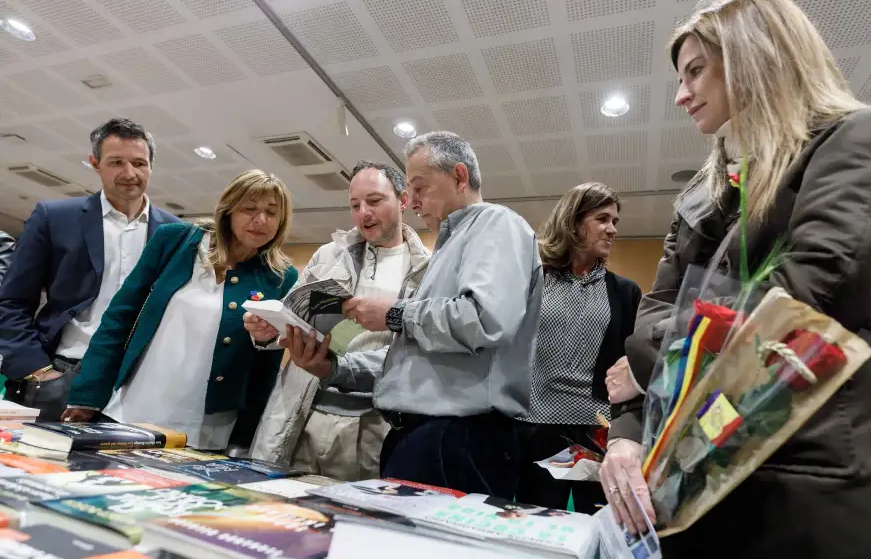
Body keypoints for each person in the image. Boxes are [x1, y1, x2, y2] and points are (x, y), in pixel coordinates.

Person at [598, 0, 871, 557]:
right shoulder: (705, 197)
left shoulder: (858, 138)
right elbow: (646, 326)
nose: (681, 96)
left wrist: (646, 362)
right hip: (692, 487)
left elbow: (810, 305)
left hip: (803, 489)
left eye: (696, 72)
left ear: (756, 56)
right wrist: (626, 440)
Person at [275, 131, 542, 499]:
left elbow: (484, 318)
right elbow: (408, 360)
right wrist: (332, 369)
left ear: (460, 177)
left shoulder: (495, 223)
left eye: (420, 187)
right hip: (424, 437)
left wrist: (395, 315)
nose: (413, 202)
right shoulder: (448, 250)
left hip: (457, 439)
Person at [61, 170, 298, 451]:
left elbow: (266, 366)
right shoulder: (175, 241)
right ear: (229, 210)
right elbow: (119, 318)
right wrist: (88, 392)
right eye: (250, 209)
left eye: (272, 213)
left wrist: (246, 436)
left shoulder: (280, 277)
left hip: (206, 429)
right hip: (133, 408)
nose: (261, 220)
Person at [244, 160, 431, 480]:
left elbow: (416, 351)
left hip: (372, 426)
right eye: (355, 205)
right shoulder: (329, 255)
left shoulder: (426, 271)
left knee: (354, 519)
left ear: (402, 200)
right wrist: (266, 331)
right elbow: (292, 314)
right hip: (304, 412)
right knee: (286, 514)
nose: (363, 213)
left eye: (374, 201)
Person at [0, 118, 179, 421]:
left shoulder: (176, 233)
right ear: (95, 164)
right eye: (116, 162)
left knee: (124, 470)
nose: (129, 173)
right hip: (62, 375)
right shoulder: (54, 218)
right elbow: (12, 302)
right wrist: (38, 370)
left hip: (136, 386)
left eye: (139, 163)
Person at [516, 183, 641, 514]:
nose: (612, 229)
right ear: (573, 222)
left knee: (598, 526)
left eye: (615, 220)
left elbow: (629, 367)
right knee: (535, 526)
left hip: (596, 433)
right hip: (534, 428)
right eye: (602, 218)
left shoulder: (626, 293)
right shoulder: (532, 281)